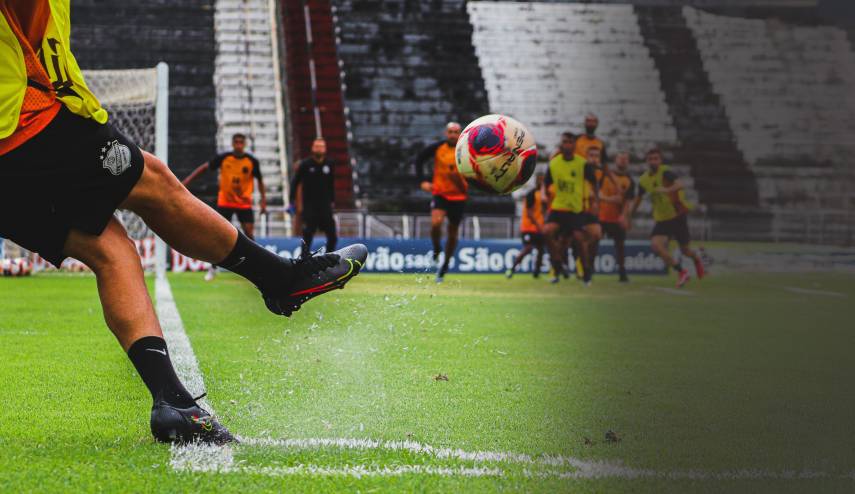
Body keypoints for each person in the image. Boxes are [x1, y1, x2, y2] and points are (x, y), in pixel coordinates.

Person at [0, 0, 367, 445]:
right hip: (22, 122)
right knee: (152, 182)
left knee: (111, 251)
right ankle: (279, 278)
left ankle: (174, 402)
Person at [183, 133, 267, 281]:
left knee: (249, 233)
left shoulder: (251, 161)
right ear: (233, 143)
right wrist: (187, 181)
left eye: (241, 142)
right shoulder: (224, 158)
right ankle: (213, 268)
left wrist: (263, 202)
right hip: (225, 202)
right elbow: (204, 168)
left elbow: (260, 181)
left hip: (244, 203)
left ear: (245, 144)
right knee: (217, 234)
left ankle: (256, 267)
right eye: (236, 142)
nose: (239, 145)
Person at [628, 149, 704, 287]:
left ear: (660, 160)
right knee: (656, 246)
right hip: (662, 219)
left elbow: (680, 184)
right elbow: (638, 199)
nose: (653, 161)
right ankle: (681, 271)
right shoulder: (644, 180)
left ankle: (696, 258)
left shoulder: (666, 172)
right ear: (647, 161)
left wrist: (667, 190)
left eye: (656, 159)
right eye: (650, 159)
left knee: (685, 251)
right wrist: (629, 216)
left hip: (677, 215)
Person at [541, 132, 599, 286]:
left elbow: (594, 182)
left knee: (579, 240)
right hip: (559, 208)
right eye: (564, 142)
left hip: (575, 210)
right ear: (561, 144)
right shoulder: (554, 163)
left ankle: (586, 271)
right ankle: (557, 263)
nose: (567, 145)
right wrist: (544, 196)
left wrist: (594, 202)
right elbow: (545, 184)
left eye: (570, 142)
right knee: (546, 232)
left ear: (574, 145)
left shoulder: (582, 163)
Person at [414, 122, 467, 283]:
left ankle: (444, 266)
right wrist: (422, 181)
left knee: (452, 234)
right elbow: (419, 160)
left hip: (459, 196)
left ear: (461, 134)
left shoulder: (466, 150)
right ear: (446, 133)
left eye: (456, 132)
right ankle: (437, 249)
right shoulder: (438, 147)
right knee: (436, 223)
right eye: (450, 132)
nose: (453, 135)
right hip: (440, 194)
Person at [288, 137, 337, 253]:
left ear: (325, 149)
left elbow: (331, 184)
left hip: (325, 206)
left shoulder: (330, 164)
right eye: (316, 146)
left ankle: (328, 259)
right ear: (312, 148)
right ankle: (304, 262)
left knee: (333, 237)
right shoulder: (305, 164)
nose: (319, 149)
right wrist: (292, 201)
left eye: (321, 146)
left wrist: (332, 201)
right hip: (310, 207)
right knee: (307, 237)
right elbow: (295, 183)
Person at [598, 152, 635, 282]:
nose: (623, 161)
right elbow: (598, 193)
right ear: (615, 160)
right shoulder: (605, 175)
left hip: (616, 218)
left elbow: (628, 201)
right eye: (621, 158)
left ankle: (622, 273)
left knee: (620, 247)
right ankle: (588, 271)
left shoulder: (630, 180)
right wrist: (611, 199)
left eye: (626, 159)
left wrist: (624, 216)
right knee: (593, 242)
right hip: (601, 217)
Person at [506, 173, 546, 279]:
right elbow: (529, 213)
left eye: (543, 180)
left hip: (539, 227)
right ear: (536, 181)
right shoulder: (531, 194)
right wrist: (539, 225)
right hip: (528, 227)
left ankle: (536, 273)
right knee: (528, 248)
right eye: (539, 180)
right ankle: (512, 269)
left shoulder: (543, 195)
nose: (541, 183)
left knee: (541, 249)